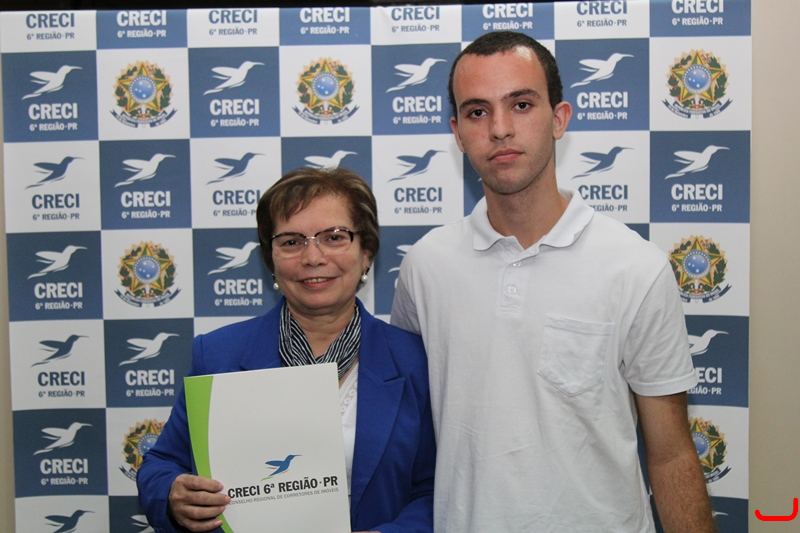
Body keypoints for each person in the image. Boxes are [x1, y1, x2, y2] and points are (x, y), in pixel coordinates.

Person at [390, 31, 715, 532]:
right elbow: (407, 433)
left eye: (521, 105)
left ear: (559, 118)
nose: (499, 128)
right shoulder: (425, 266)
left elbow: (671, 454)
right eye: (477, 112)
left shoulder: (636, 266)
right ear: (457, 132)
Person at [138, 168, 435, 533]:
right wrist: (172, 494)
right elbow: (162, 464)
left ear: (367, 253)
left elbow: (437, 487)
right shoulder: (217, 355)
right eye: (292, 242)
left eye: (334, 237)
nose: (313, 257)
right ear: (271, 259)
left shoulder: (414, 360)